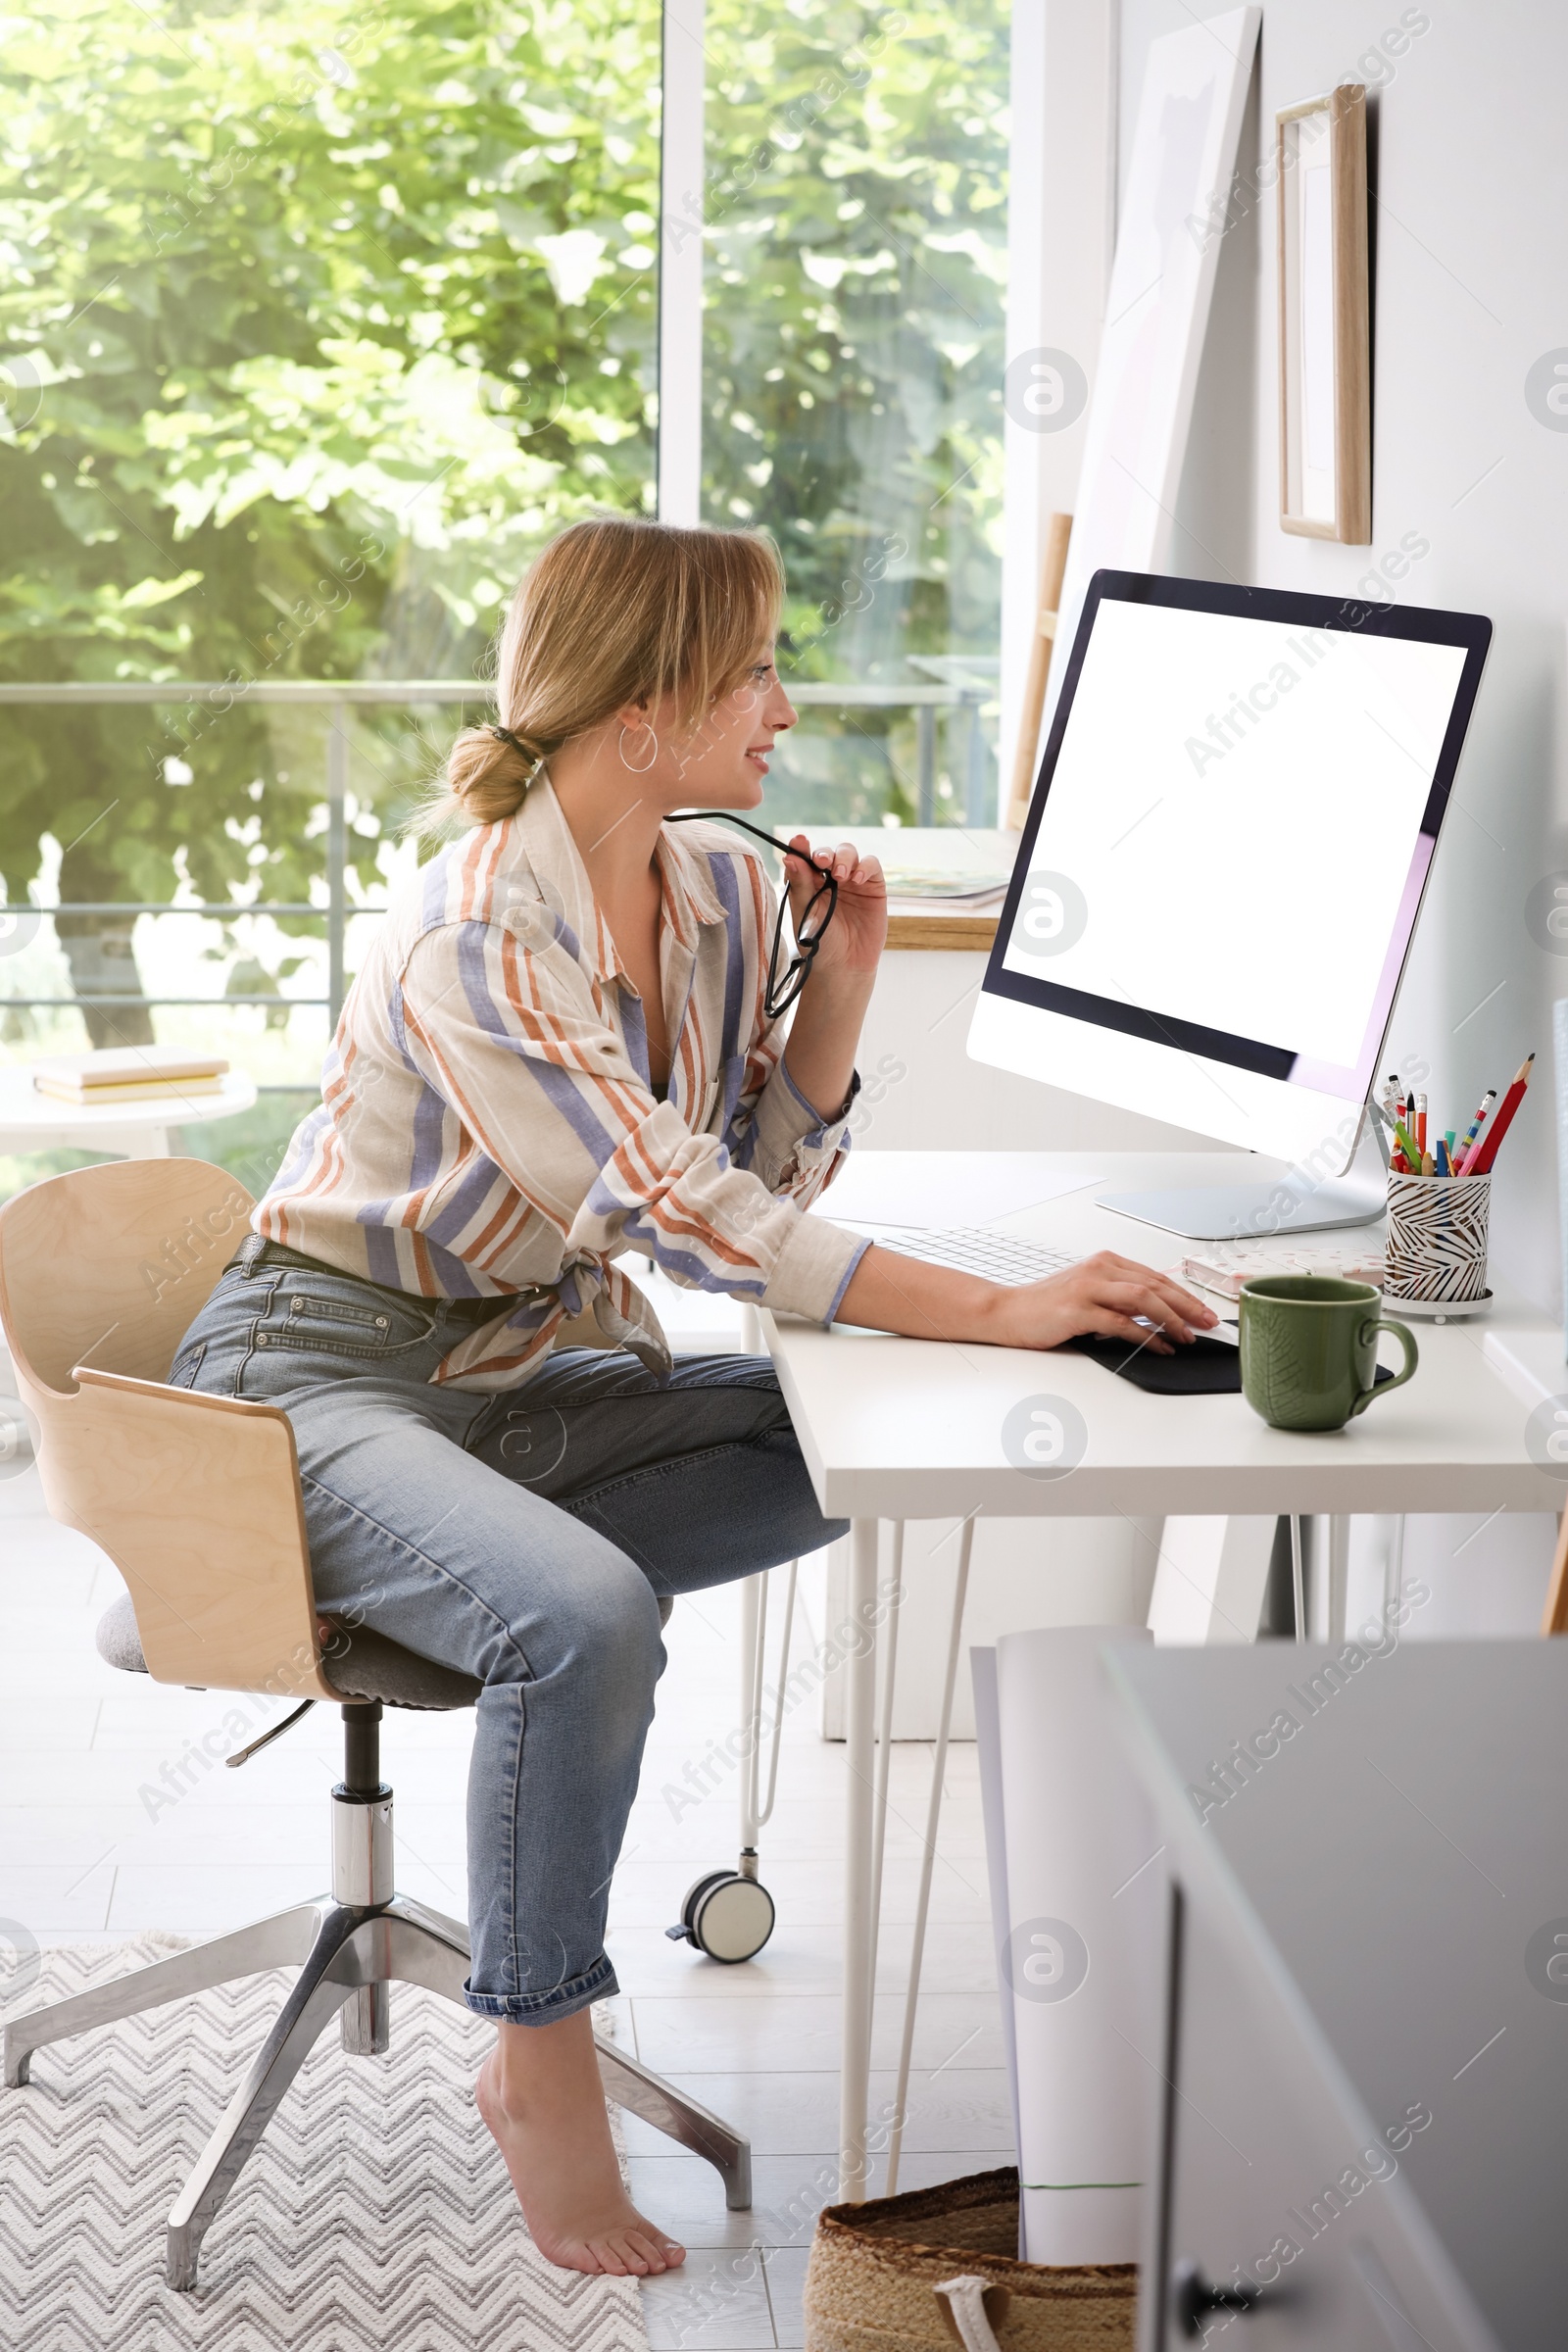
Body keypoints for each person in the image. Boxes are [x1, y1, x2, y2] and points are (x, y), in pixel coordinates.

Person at [172, 515, 1215, 2278]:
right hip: (316, 1373)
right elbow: (683, 1217)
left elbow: (764, 1187)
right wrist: (1007, 1307)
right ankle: (540, 2061)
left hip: (516, 1382)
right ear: (642, 708)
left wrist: (847, 992)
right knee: (581, 1618)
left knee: (853, 1445)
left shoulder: (717, 885)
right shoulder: (474, 934)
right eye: (751, 672)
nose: (785, 708)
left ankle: (518, 1623)